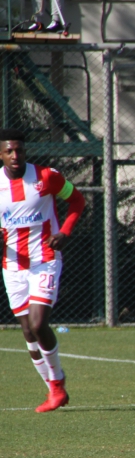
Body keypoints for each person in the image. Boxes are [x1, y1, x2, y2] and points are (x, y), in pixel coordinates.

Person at [0, 128, 85, 411]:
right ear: (0, 154)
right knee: (27, 331)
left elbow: (77, 200)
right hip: (13, 265)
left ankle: (58, 384)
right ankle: (53, 391)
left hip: (45, 259)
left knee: (38, 324)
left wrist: (65, 232)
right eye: (9, 151)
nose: (15, 155)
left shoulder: (46, 177)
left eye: (19, 150)